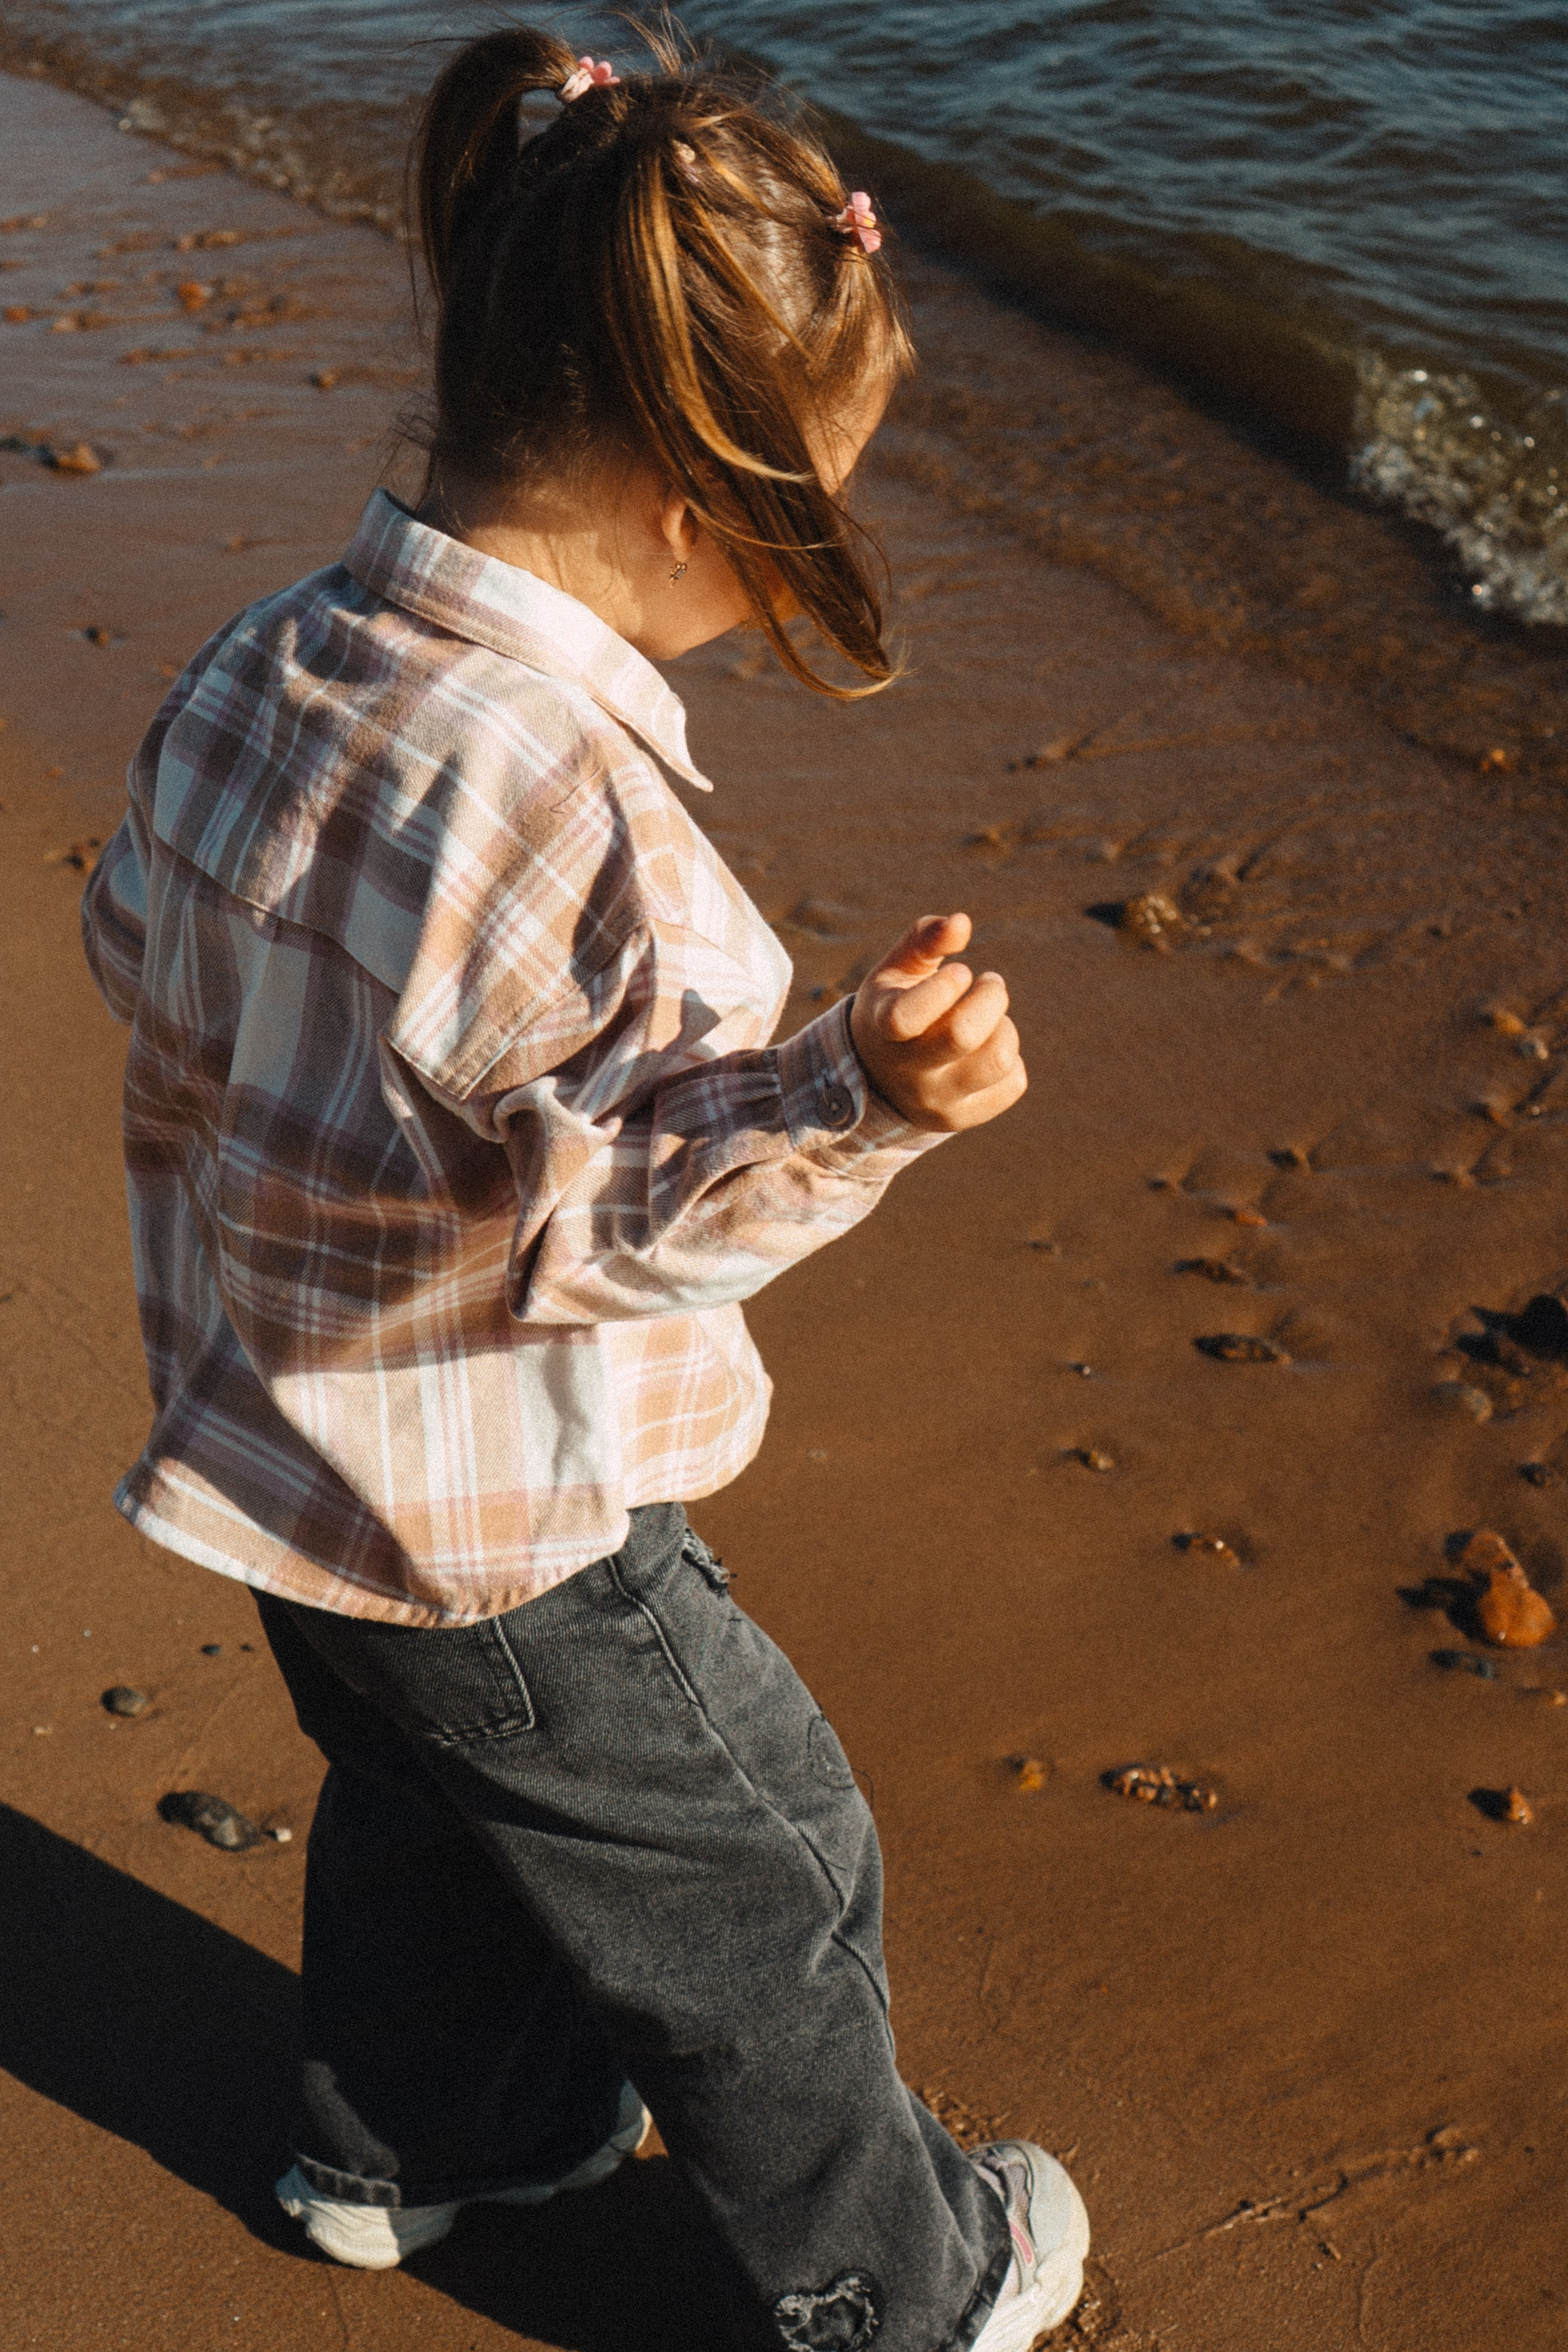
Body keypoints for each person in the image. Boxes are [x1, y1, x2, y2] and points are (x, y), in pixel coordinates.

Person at [81, 23, 1089, 2350]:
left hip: (283, 1462)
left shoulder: (265, 664)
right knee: (761, 1866)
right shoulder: (589, 830)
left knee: (433, 1816)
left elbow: (142, 938)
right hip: (494, 1518)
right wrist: (867, 1088)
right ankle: (904, 2287)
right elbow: (628, 1216)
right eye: (802, 513)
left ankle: (410, 2152)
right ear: (682, 488)